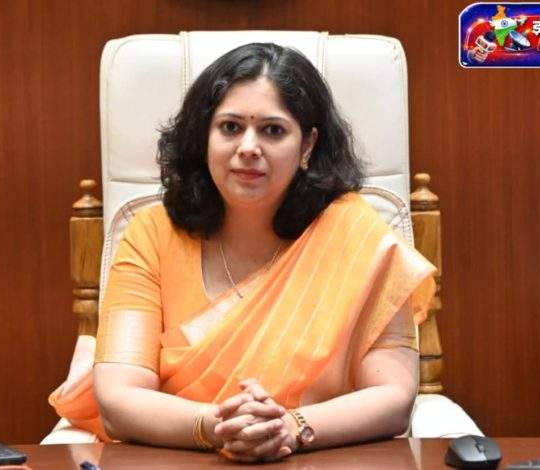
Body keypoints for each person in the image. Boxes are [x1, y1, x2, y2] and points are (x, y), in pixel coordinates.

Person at [49, 42, 436, 463]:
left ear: (307, 146)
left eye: (273, 130)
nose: (249, 147)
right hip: (178, 458)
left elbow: (393, 395)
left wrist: (290, 427)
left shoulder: (357, 237)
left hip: (319, 458)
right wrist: (216, 426)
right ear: (204, 136)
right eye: (231, 127)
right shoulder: (151, 235)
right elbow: (119, 397)